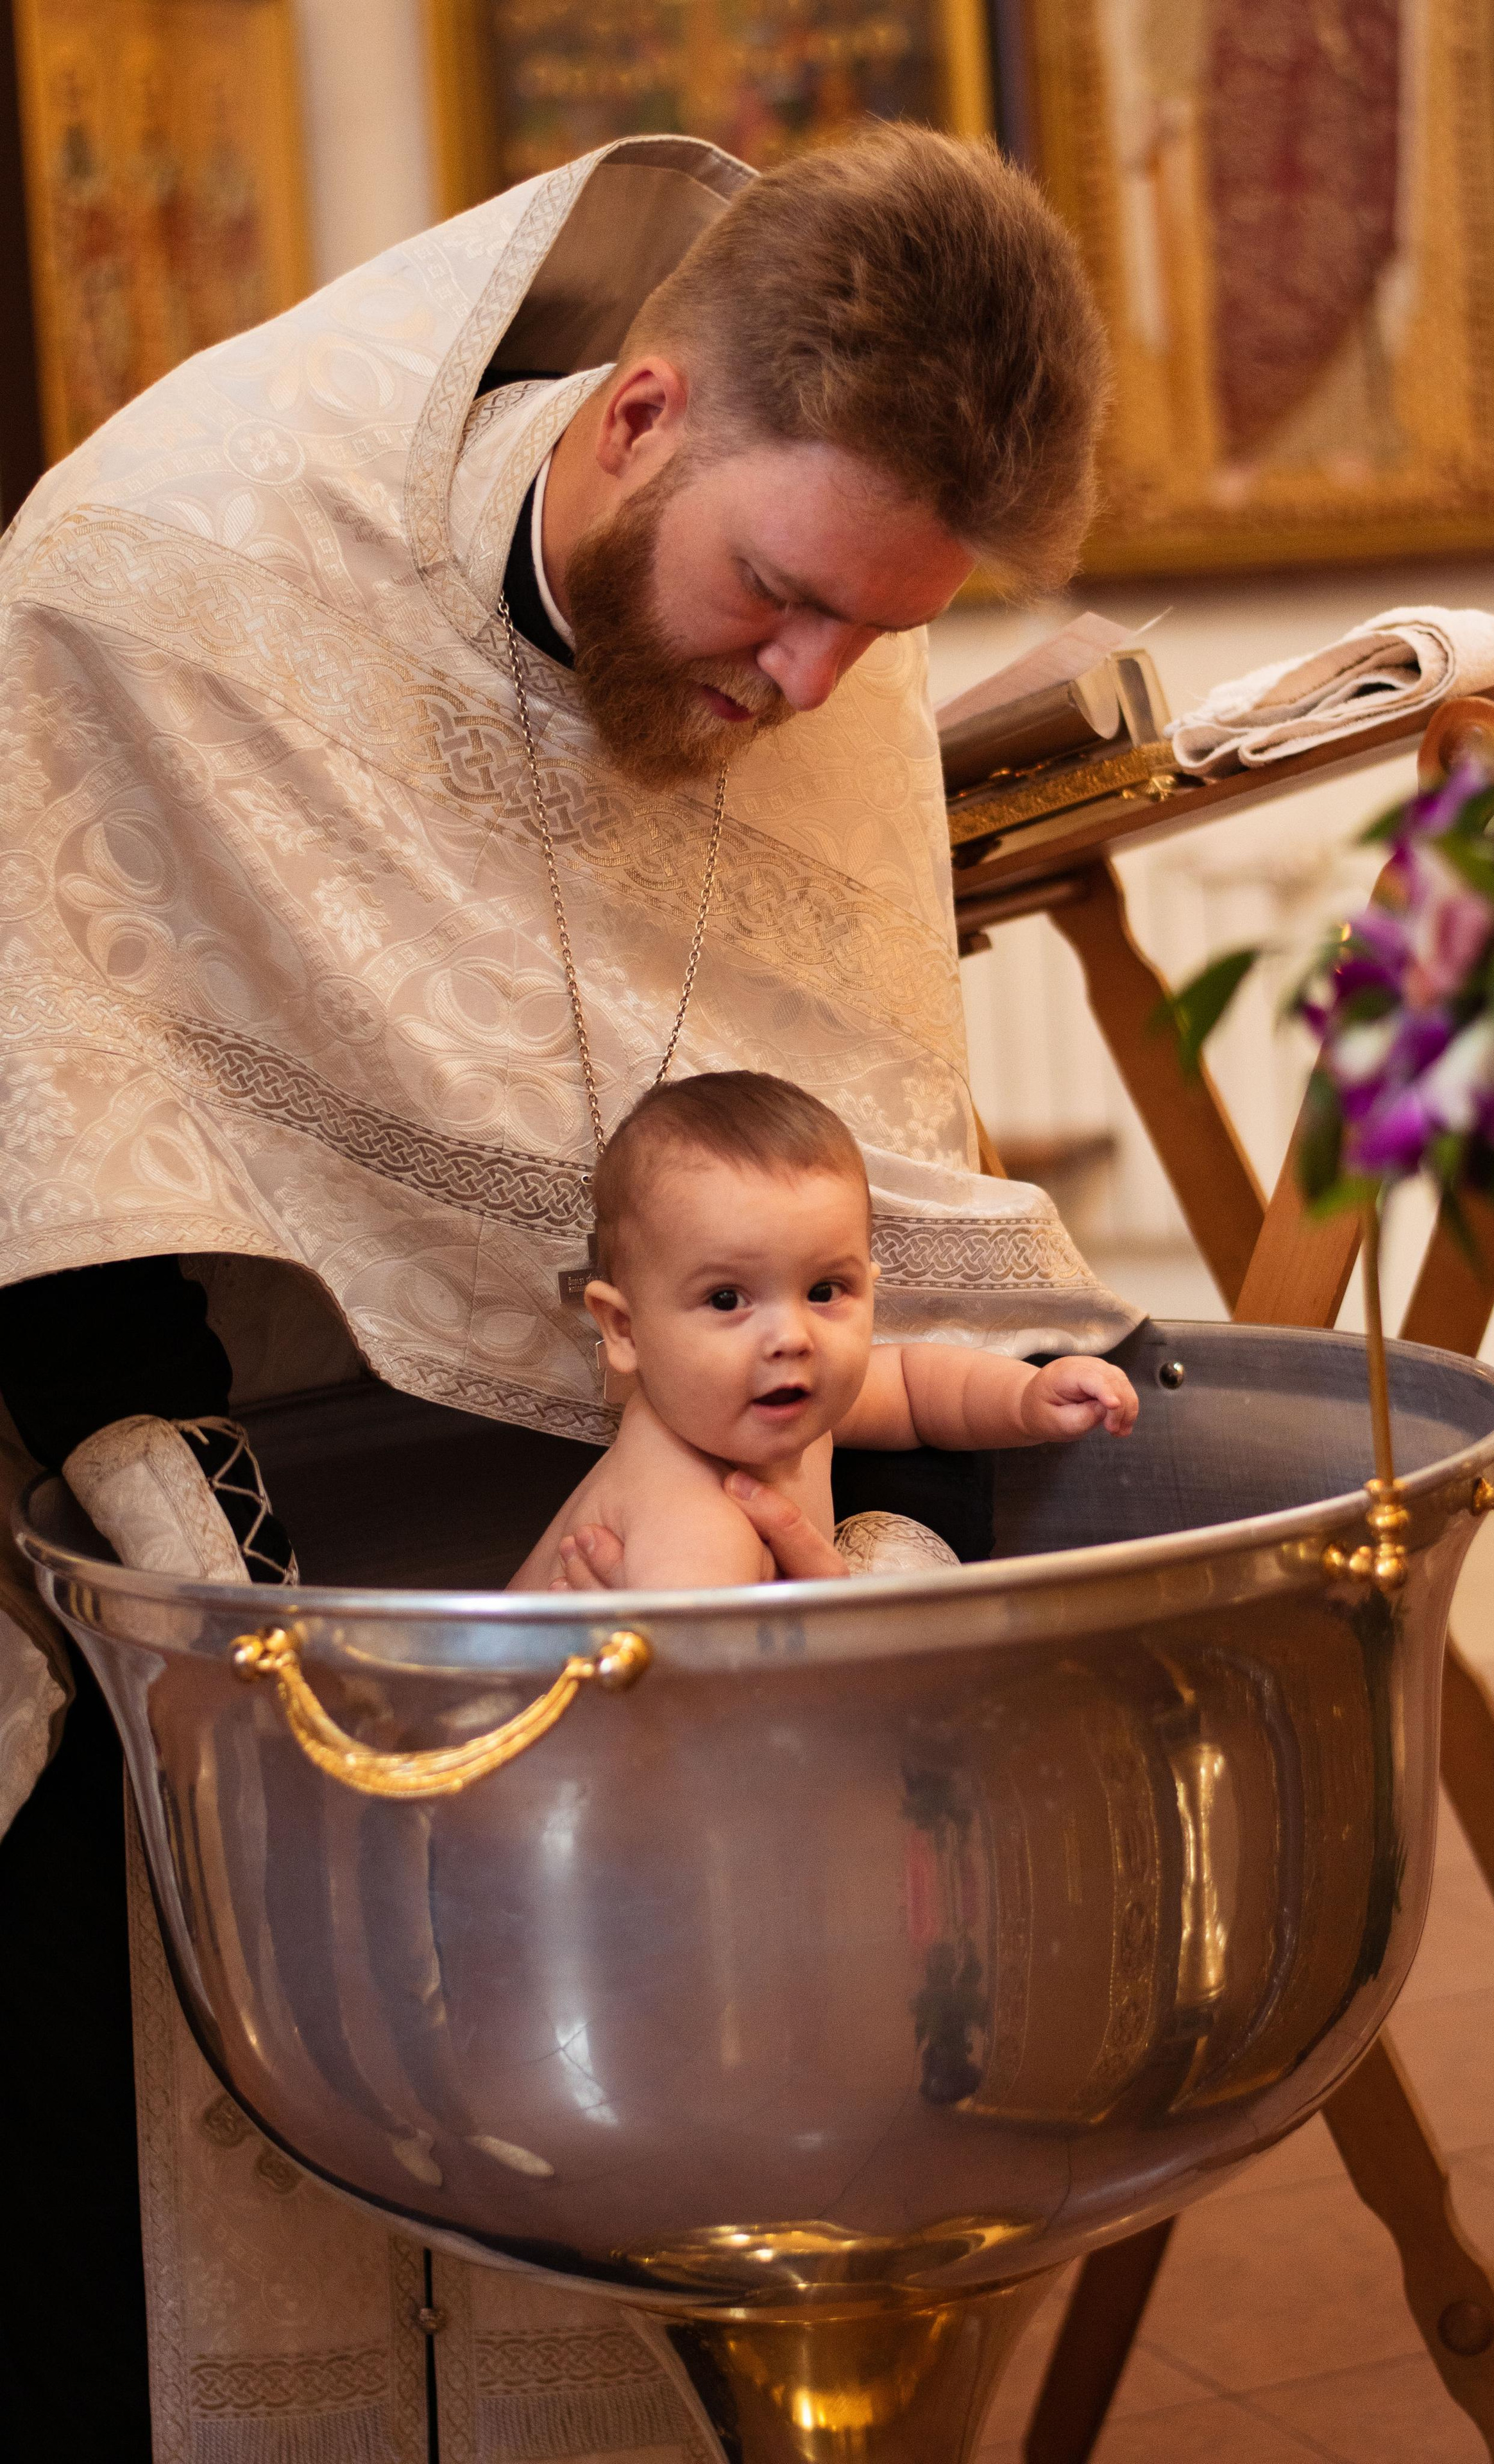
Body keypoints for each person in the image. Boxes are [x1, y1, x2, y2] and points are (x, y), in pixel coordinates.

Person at [0, 125, 1142, 2461]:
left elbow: (843, 1178)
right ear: (642, 418)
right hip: (176, 1495)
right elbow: (56, 1128)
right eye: (781, 595)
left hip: (651, 1530)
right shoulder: (159, 575)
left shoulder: (831, 662)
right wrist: (218, 1594)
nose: (812, 683)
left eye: (878, 631)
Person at [511, 1074, 1138, 1591]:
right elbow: (719, 1718)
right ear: (624, 1328)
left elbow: (917, 1388)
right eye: (727, 1299)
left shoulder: (758, 1409)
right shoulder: (693, 1525)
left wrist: (1029, 1399)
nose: (792, 1336)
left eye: (823, 1292)